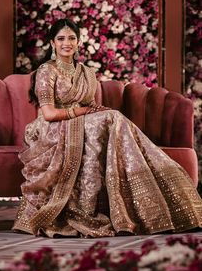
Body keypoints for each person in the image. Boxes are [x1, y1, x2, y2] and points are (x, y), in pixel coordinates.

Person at [13, 18, 202, 237]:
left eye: (72, 38)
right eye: (61, 39)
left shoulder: (86, 72)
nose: (67, 43)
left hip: (82, 123)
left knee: (112, 117)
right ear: (52, 43)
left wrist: (94, 110)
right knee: (112, 117)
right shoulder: (47, 71)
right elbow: (49, 113)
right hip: (52, 127)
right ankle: (93, 206)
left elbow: (89, 105)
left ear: (78, 42)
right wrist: (84, 112)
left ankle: (143, 203)